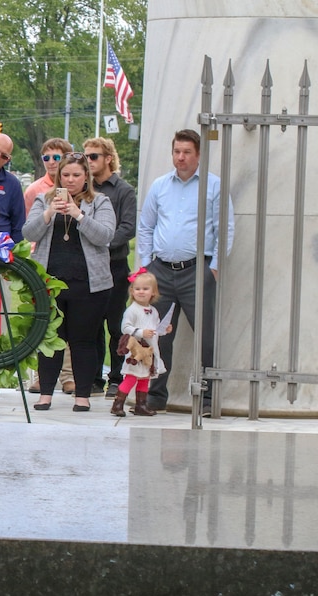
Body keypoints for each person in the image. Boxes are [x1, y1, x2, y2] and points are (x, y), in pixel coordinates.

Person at [137, 128, 234, 414]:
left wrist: (214, 268)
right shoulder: (159, 186)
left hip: (197, 271)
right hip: (161, 273)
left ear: (199, 154)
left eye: (187, 152)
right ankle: (155, 396)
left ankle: (207, 398)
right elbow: (146, 226)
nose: (181, 157)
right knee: (155, 335)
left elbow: (224, 228)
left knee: (205, 337)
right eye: (177, 152)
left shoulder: (213, 186)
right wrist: (146, 267)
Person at [23, 152, 116, 412]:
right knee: (50, 339)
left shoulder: (100, 202)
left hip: (89, 285)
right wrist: (49, 213)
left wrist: (79, 215)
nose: (71, 180)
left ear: (86, 176)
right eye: (66, 175)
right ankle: (45, 394)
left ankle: (83, 395)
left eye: (76, 175)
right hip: (50, 283)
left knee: (83, 340)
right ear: (57, 176)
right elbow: (28, 232)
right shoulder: (44, 200)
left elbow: (105, 235)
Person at [84, 137, 138, 398]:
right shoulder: (84, 190)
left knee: (116, 325)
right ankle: (93, 378)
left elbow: (128, 227)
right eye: (86, 157)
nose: (89, 161)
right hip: (89, 267)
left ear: (108, 158)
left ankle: (116, 377)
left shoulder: (124, 190)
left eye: (93, 156)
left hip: (114, 265)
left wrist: (103, 244)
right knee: (91, 324)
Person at [112, 270, 171, 417]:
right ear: (132, 291)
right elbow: (125, 327)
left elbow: (155, 330)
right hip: (136, 351)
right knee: (131, 377)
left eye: (145, 289)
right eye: (137, 289)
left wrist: (164, 330)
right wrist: (140, 332)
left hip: (149, 352)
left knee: (145, 378)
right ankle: (118, 403)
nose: (141, 292)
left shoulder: (153, 311)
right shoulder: (132, 310)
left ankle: (141, 405)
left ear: (153, 292)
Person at [23, 137, 73, 215]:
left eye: (56, 157)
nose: (51, 162)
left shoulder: (77, 185)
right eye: (46, 158)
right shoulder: (33, 190)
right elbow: (27, 223)